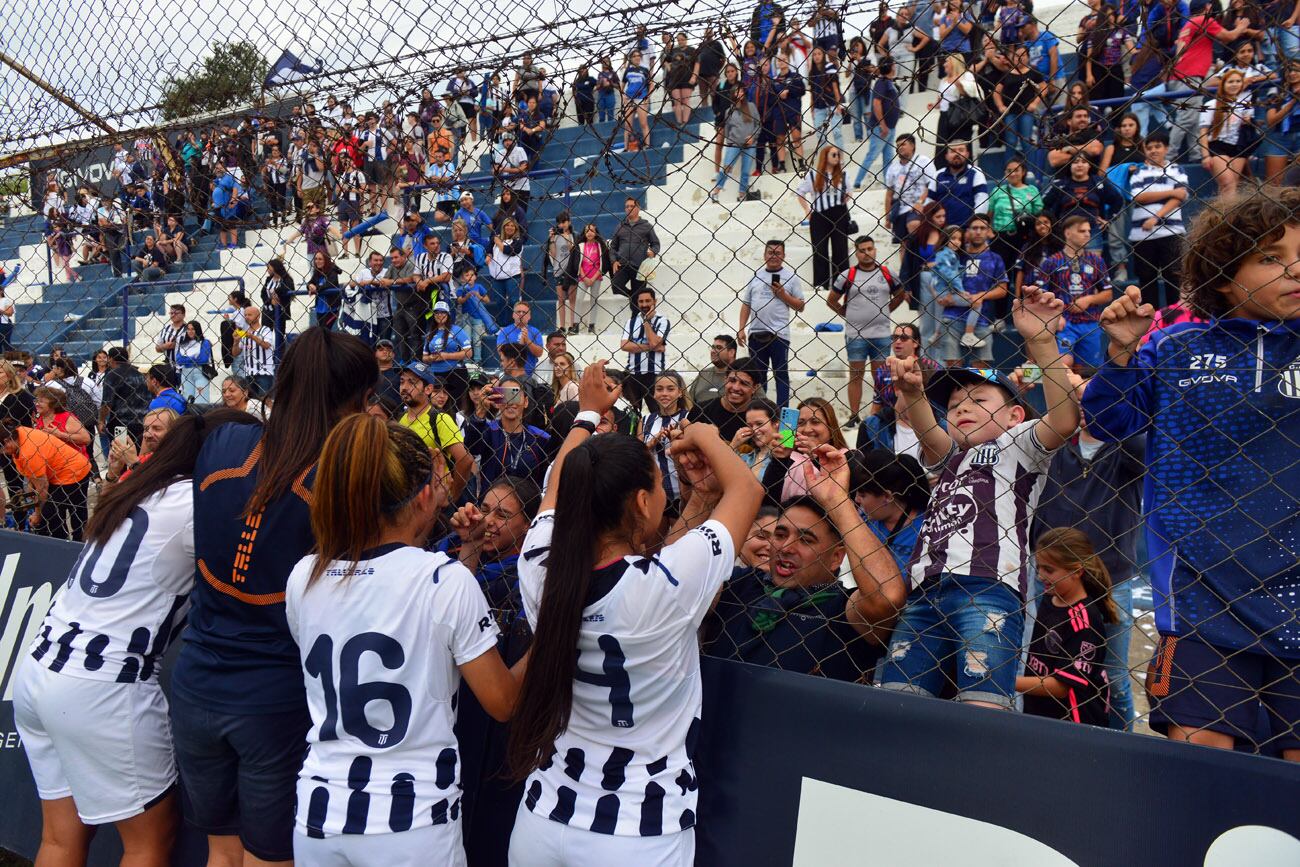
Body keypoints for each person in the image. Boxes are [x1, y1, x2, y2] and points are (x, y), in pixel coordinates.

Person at [506, 362, 763, 864]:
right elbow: (748, 491)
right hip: (636, 829)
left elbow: (557, 487)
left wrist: (584, 414)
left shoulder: (539, 565)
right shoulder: (667, 584)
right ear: (644, 502)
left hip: (543, 816)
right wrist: (705, 432)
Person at [1082, 189, 1300, 759]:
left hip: (1297, 600)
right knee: (1204, 770)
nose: (1294, 269)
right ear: (1224, 276)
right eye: (1272, 258)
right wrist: (1122, 355)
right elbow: (1109, 420)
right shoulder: (1177, 348)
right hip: (1204, 606)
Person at [169, 329, 379, 866]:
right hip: (272, 696)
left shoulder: (223, 442)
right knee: (269, 857)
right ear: (355, 403)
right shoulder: (335, 482)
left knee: (221, 851)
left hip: (196, 680)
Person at [13, 410, 249, 867]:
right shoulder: (199, 503)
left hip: (40, 669)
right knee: (147, 843)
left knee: (60, 839)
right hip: (104, 681)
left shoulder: (139, 487)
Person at [285, 414, 522, 864]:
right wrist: (555, 630)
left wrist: (466, 547)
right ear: (426, 494)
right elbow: (503, 701)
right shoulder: (442, 580)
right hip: (409, 820)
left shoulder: (305, 575)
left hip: (319, 813)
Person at [878, 286, 1080, 709]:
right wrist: (914, 394)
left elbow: (1063, 420)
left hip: (987, 589)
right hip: (924, 593)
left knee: (982, 705)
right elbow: (930, 435)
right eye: (953, 404)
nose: (962, 408)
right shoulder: (949, 456)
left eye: (978, 399)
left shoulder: (1019, 443)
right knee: (898, 700)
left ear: (1014, 414)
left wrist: (1042, 341)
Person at [1017, 528, 1119, 727]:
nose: (1040, 576)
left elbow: (1061, 686)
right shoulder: (1050, 599)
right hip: (1039, 712)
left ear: (1077, 571)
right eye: (1039, 568)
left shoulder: (1084, 621)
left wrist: (1007, 681)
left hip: (1073, 723)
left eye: (1049, 570)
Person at [828, 236, 902, 426]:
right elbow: (831, 300)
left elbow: (901, 294)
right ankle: (854, 416)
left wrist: (886, 311)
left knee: (881, 376)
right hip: (856, 334)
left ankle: (881, 414)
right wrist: (847, 314)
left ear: (875, 249)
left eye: (870, 249)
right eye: (862, 250)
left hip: (882, 333)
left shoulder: (887, 273)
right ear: (856, 252)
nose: (867, 253)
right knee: (856, 375)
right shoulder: (848, 275)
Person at [1032, 215, 1114, 371]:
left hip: (1090, 322)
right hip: (1065, 322)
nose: (1087, 234)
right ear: (1068, 233)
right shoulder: (1052, 261)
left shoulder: (1096, 261)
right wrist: (1056, 315)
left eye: (1089, 231)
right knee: (1064, 364)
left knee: (1087, 370)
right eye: (1081, 231)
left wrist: (1089, 299)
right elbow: (1040, 294)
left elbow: (1108, 294)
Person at [738, 239, 806, 407]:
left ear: (784, 256)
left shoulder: (791, 277)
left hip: (779, 334)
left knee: (781, 375)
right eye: (770, 252)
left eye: (777, 253)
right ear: (764, 255)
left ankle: (782, 416)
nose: (774, 256)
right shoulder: (756, 276)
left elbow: (801, 306)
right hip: (755, 334)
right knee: (758, 377)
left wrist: (783, 295)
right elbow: (746, 304)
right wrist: (741, 328)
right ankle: (760, 411)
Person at [1127, 132, 1189, 310]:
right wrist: (1170, 192)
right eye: (1149, 147)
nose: (1153, 150)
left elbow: (1181, 196)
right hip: (1143, 235)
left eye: (1158, 146)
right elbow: (1138, 196)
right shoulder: (1139, 172)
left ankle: (1174, 321)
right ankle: (1151, 322)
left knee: (1173, 278)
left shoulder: (1176, 169)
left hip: (1172, 233)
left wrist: (1156, 217)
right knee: (1147, 280)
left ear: (1166, 148)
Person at [0, 421, 92, 540]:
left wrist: (37, 515)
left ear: (7, 441)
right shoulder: (19, 432)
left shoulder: (28, 453)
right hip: (58, 471)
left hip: (73, 472)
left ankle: (71, 545)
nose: (3, 453)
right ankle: (66, 542)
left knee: (50, 517)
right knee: (56, 514)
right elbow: (33, 478)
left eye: (2, 450)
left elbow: (42, 489)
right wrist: (31, 496)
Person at [398, 360, 475, 502]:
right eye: (402, 382)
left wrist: (452, 496)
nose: (405, 387)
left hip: (434, 499)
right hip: (408, 498)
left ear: (428, 389)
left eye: (412, 382)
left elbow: (465, 460)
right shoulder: (400, 420)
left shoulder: (440, 419)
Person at [464, 375, 553, 491]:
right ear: (497, 402)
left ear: (526, 402)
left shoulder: (540, 438)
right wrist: (481, 411)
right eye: (505, 396)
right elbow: (472, 447)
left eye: (515, 395)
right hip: (492, 502)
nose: (510, 402)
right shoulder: (488, 431)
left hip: (526, 503)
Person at [850, 449, 929, 574]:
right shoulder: (866, 523)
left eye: (863, 495)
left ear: (887, 496)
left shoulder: (928, 529)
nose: (856, 499)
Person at [796, 146, 853, 294]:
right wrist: (807, 210)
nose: (836, 157)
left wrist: (843, 198)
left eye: (838, 155)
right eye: (833, 154)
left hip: (839, 213)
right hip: (820, 215)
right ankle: (821, 282)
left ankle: (840, 282)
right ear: (825, 156)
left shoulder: (843, 174)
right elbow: (800, 193)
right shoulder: (813, 175)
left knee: (840, 248)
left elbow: (849, 193)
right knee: (819, 249)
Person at [1199, 69, 1259, 197]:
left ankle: (1224, 213)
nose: (1234, 84)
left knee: (1231, 185)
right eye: (1230, 81)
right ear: (1223, 84)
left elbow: (1248, 126)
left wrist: (1248, 121)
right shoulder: (1211, 105)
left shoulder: (1245, 105)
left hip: (1238, 147)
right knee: (1228, 182)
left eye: (1238, 81)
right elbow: (1203, 132)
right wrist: (1205, 155)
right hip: (1218, 146)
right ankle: (1227, 215)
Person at [639, 370, 692, 506]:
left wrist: (677, 440)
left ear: (680, 392)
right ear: (654, 393)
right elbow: (636, 454)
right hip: (654, 490)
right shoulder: (646, 420)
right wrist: (651, 443)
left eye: (670, 389)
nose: (664, 394)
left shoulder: (688, 417)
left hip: (683, 489)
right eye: (659, 389)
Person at [620, 287, 672, 412]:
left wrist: (646, 322)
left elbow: (654, 342)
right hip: (633, 374)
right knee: (633, 413)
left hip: (654, 374)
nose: (644, 305)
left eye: (648, 301)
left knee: (656, 411)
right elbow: (624, 345)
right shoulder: (631, 322)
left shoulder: (663, 321)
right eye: (641, 302)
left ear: (655, 301)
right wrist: (652, 347)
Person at [856, 58, 901, 189]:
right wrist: (883, 125)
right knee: (872, 155)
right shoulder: (882, 83)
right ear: (891, 67)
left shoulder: (888, 82)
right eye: (894, 65)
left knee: (888, 157)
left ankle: (888, 184)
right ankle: (857, 182)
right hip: (881, 128)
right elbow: (876, 103)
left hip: (889, 127)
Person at [710, 89, 761, 203]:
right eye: (737, 92)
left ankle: (742, 194)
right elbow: (727, 130)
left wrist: (753, 136)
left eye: (742, 91)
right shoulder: (729, 111)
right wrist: (731, 142)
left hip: (750, 144)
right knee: (727, 167)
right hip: (734, 144)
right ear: (733, 94)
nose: (740, 94)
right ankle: (716, 192)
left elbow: (758, 124)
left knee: (745, 170)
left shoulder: (751, 107)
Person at [609, 197, 661, 302]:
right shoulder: (620, 226)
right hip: (623, 265)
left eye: (632, 206)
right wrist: (614, 261)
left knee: (636, 303)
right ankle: (632, 295)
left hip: (640, 267)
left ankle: (635, 310)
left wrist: (653, 251)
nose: (629, 208)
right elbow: (613, 247)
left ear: (638, 208)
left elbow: (656, 244)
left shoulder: (646, 226)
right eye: (627, 206)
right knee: (616, 285)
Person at [99, 347, 150, 447]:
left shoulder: (112, 375)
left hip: (121, 423)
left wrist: (101, 421)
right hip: (141, 421)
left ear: (111, 359)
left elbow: (106, 403)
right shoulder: (140, 373)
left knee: (120, 453)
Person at [566, 223, 611, 334]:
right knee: (579, 300)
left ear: (596, 233)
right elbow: (578, 263)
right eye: (587, 231)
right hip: (583, 277)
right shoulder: (580, 246)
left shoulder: (600, 246)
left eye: (591, 230)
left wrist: (594, 277)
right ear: (584, 233)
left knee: (594, 301)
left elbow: (603, 264)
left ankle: (592, 325)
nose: (589, 233)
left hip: (596, 277)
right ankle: (576, 325)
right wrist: (585, 277)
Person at [424, 300, 471, 403]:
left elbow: (468, 352)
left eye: (443, 312)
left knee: (454, 404)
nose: (440, 315)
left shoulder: (457, 330)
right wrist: (431, 358)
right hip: (434, 373)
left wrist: (446, 356)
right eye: (437, 312)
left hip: (454, 373)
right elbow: (424, 357)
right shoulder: (430, 334)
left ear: (448, 314)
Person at [232, 306, 276, 397]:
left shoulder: (265, 330)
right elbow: (235, 353)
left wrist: (252, 336)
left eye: (250, 315)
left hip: (264, 372)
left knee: (265, 400)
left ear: (258, 316)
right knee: (251, 401)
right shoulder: (244, 332)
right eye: (245, 315)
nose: (247, 317)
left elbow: (266, 345)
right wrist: (236, 342)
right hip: (248, 373)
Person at [495, 302, 545, 377]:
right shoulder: (504, 331)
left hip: (529, 374)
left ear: (529, 316)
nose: (521, 314)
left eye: (524, 312)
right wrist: (520, 344)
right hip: (509, 374)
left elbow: (539, 353)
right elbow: (500, 351)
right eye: (518, 312)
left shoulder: (535, 332)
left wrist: (528, 341)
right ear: (513, 315)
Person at [548, 213, 577, 335]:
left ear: (569, 222)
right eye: (559, 223)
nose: (561, 225)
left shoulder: (574, 235)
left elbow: (572, 249)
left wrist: (566, 237)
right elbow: (554, 254)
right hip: (558, 270)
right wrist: (552, 240)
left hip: (571, 270)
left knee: (571, 299)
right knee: (561, 299)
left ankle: (572, 325)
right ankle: (562, 326)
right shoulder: (556, 237)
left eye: (564, 222)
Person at [688, 335, 737, 406]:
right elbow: (689, 401)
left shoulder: (743, 375)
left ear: (731, 352)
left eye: (719, 348)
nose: (713, 351)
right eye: (712, 348)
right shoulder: (703, 374)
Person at [622, 48, 654, 150]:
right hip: (629, 99)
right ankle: (626, 147)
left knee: (643, 123)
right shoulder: (627, 71)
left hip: (640, 98)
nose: (637, 58)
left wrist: (647, 98)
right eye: (634, 56)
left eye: (638, 56)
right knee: (628, 125)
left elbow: (651, 85)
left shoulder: (645, 70)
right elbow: (621, 85)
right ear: (630, 58)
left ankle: (647, 145)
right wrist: (623, 95)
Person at [175, 321, 214, 401]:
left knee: (201, 399)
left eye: (193, 329)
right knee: (187, 399)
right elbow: (178, 360)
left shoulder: (204, 342)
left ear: (197, 330)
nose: (190, 331)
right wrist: (194, 358)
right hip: (186, 373)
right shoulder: (183, 343)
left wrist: (186, 359)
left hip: (200, 373)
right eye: (188, 329)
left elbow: (203, 359)